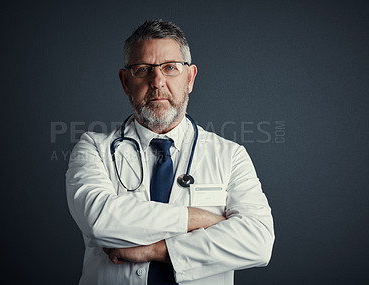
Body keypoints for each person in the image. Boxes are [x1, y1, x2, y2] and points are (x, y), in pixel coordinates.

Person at [66, 19, 274, 285]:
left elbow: (258, 242)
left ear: (190, 78)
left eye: (170, 68)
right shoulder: (93, 147)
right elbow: (99, 221)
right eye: (143, 69)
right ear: (125, 81)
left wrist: (156, 250)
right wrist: (199, 219)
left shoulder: (231, 156)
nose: (157, 82)